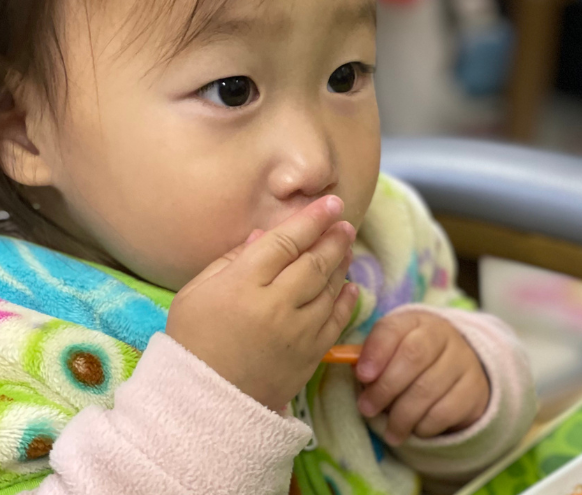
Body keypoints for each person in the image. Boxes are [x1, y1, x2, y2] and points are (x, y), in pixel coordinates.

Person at [0, 1, 536, 494]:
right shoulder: (17, 347)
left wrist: (464, 387)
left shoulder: (376, 235)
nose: (314, 163)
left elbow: (497, 444)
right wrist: (212, 400)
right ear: (24, 129)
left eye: (343, 76)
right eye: (231, 89)